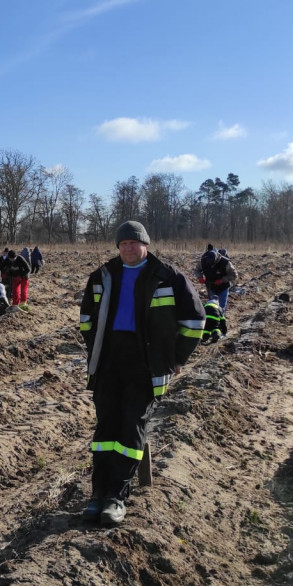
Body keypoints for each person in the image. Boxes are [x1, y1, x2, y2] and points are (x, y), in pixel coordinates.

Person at [79, 221, 205, 526]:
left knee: (131, 426)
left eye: (133, 243)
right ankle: (98, 494)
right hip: (109, 362)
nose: (128, 248)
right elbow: (86, 321)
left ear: (145, 244)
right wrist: (95, 351)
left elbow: (195, 321)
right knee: (105, 428)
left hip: (145, 365)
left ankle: (117, 497)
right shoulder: (103, 276)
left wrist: (176, 357)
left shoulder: (168, 277)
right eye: (123, 244)